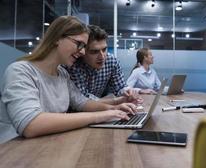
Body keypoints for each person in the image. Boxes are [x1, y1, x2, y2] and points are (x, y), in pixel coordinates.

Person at [0, 16, 136, 143]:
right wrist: (101, 115)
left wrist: (114, 108)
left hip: (49, 144)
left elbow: (82, 103)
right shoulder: (20, 71)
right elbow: (31, 124)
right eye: (79, 44)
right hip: (15, 152)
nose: (82, 52)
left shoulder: (62, 74)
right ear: (57, 38)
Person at [67, 25, 140, 102]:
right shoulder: (73, 65)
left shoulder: (111, 61)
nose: (102, 56)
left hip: (101, 106)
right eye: (94, 52)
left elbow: (120, 87)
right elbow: (82, 100)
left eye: (104, 49)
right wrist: (113, 101)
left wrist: (127, 92)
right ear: (82, 51)